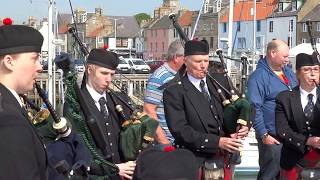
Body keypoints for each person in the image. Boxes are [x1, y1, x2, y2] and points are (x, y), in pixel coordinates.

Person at [163, 40, 248, 180]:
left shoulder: (220, 81)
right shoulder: (174, 91)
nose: (203, 65)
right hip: (194, 161)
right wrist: (217, 142)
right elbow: (180, 131)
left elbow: (242, 105)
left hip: (224, 157)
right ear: (185, 61)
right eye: (198, 61)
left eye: (206, 60)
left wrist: (243, 124)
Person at [65, 48, 136, 179]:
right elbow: (76, 150)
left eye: (112, 74)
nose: (109, 79)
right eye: (104, 73)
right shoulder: (75, 105)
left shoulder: (119, 101)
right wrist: (112, 169)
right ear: (90, 70)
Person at [0, 24, 47, 179]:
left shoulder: (9, 103)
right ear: (9, 62)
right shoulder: (9, 121)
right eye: (34, 58)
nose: (40, 66)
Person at [247, 39, 298, 180]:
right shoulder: (258, 77)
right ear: (273, 53)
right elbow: (254, 107)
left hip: (289, 135)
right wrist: (263, 134)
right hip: (271, 136)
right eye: (285, 56)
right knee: (269, 173)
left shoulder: (289, 73)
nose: (287, 60)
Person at [275, 53, 320, 179]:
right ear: (298, 74)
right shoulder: (284, 98)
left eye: (316, 69)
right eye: (307, 70)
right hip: (294, 160)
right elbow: (282, 130)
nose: (312, 74)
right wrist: (307, 141)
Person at [144, 39, 185, 146]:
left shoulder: (182, 76)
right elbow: (149, 110)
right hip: (168, 142)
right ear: (176, 57)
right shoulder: (159, 77)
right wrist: (164, 141)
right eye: (186, 58)